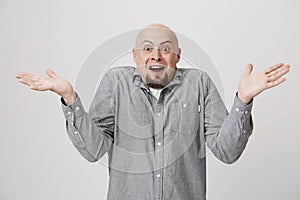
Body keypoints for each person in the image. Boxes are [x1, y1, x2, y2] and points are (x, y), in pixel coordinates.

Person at [16, 23, 290, 200]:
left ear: (177, 56)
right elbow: (93, 150)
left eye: (165, 49)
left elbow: (226, 152)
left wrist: (243, 100)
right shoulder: (116, 82)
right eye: (147, 49)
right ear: (135, 56)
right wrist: (69, 98)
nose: (156, 55)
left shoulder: (199, 83)